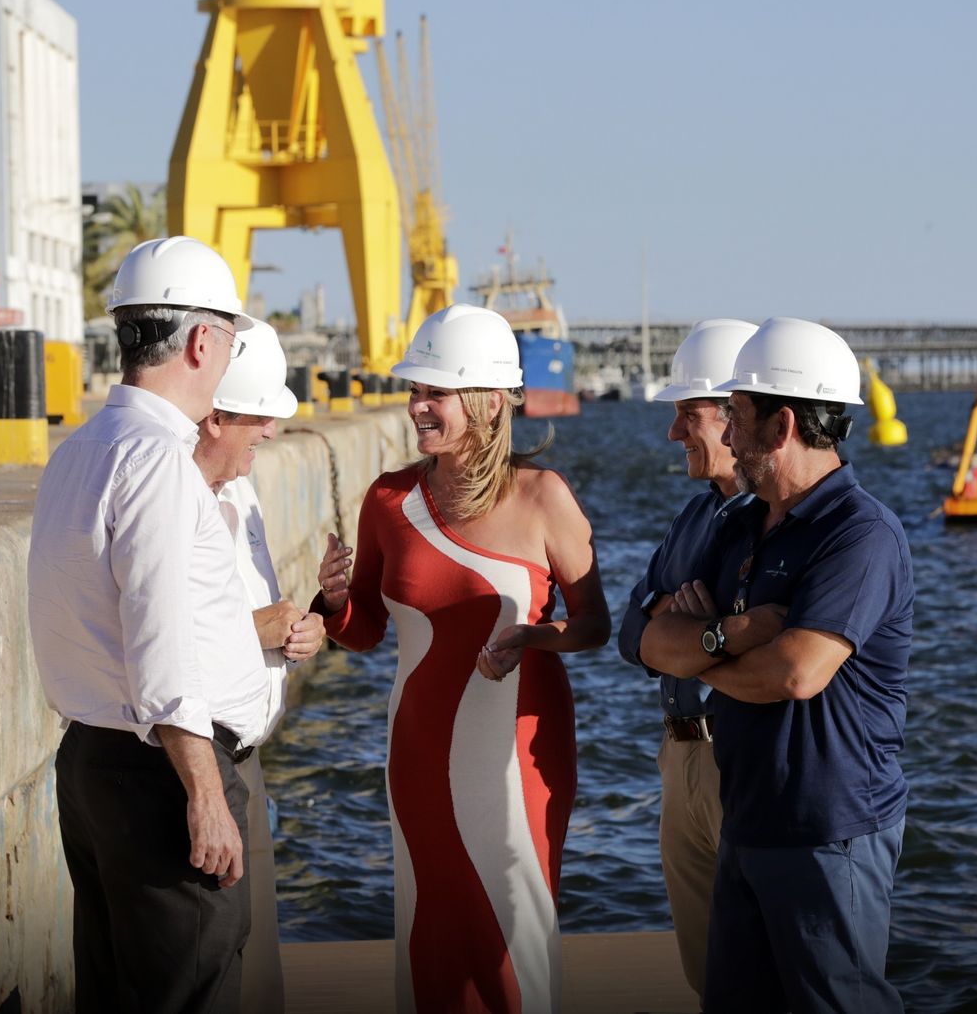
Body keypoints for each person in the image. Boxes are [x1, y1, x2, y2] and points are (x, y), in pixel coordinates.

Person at [310, 303, 611, 1013]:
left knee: (512, 940)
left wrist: (535, 638)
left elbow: (595, 625)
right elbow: (364, 631)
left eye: (432, 392)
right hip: (415, 751)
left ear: (483, 399)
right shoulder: (388, 499)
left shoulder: (544, 498)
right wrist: (329, 603)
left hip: (517, 753)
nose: (416, 407)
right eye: (414, 391)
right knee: (432, 934)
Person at [29, 236, 284, 1013]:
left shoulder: (78, 452)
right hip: (161, 779)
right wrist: (205, 795)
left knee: (112, 990)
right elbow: (162, 643)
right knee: (188, 989)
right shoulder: (159, 462)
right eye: (232, 339)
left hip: (90, 762)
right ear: (204, 341)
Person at [640, 317, 914, 1013]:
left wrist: (700, 649)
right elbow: (648, 640)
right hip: (749, 815)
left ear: (781, 423)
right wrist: (728, 638)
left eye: (734, 415)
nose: (728, 435)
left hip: (828, 828)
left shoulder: (860, 534)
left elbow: (796, 673)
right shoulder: (736, 525)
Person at [615, 318, 757, 1001]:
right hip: (680, 761)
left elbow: (772, 649)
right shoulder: (696, 517)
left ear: (738, 415)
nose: (675, 433)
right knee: (708, 974)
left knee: (765, 970)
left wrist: (678, 631)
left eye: (687, 414)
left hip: (741, 756)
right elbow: (628, 631)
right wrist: (688, 623)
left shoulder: (781, 525)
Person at [191, 319, 327, 1014]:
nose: (273, 432)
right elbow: (153, 640)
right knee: (208, 970)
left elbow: (246, 609)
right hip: (195, 763)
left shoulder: (238, 488)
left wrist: (300, 626)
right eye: (261, 417)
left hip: (245, 761)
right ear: (215, 415)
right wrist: (257, 630)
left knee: (256, 965)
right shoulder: (170, 496)